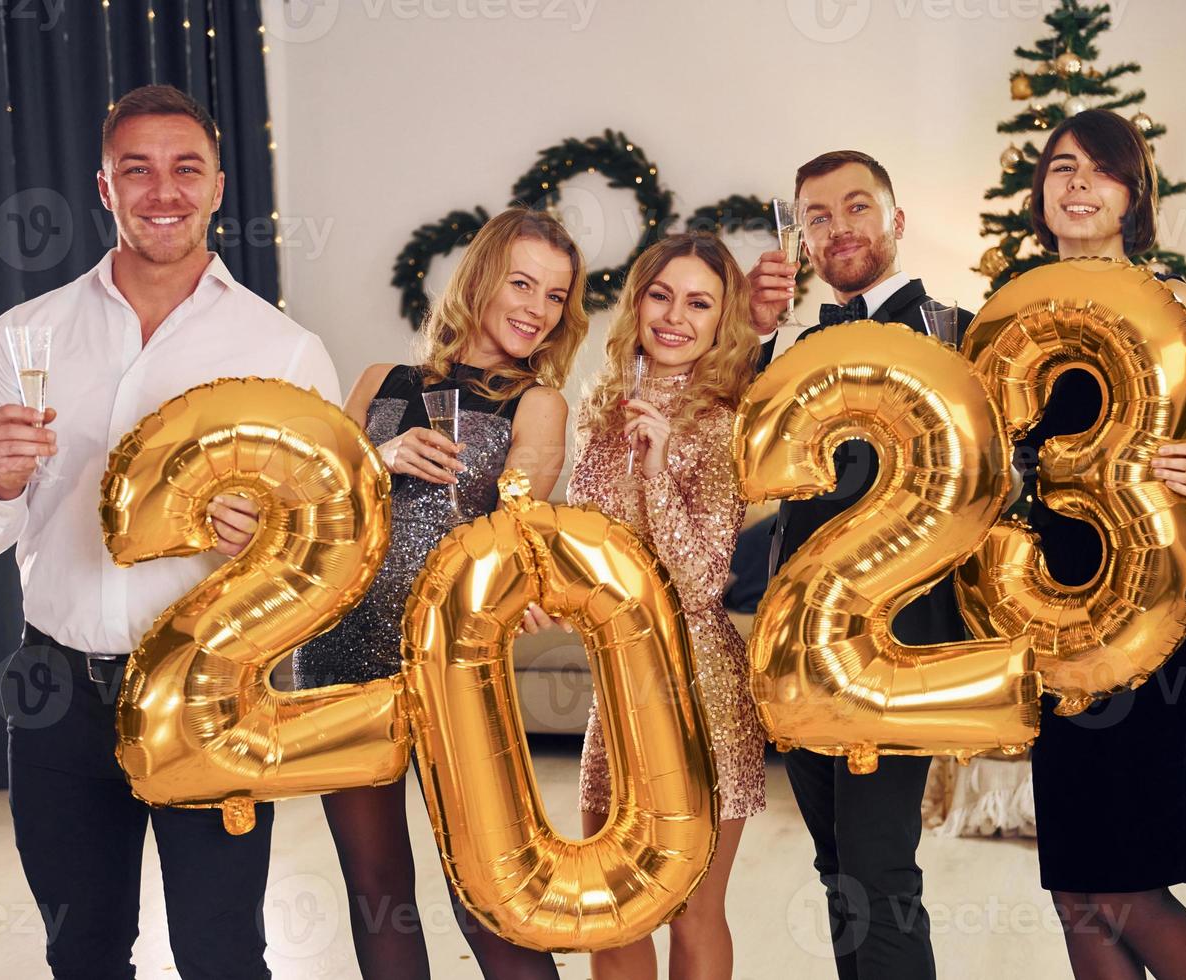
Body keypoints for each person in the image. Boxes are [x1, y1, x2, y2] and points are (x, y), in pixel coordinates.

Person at [0, 84, 339, 979]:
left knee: (222, 952)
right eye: (138, 170)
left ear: (218, 186)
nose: (163, 190)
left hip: (212, 690)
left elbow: (324, 549)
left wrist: (269, 538)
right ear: (104, 186)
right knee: (80, 952)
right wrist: (1, 477)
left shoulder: (283, 351)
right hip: (54, 694)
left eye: (185, 168)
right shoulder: (22, 336)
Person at [292, 206, 588, 979]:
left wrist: (522, 571)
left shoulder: (539, 404)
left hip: (454, 663)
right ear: (482, 278)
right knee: (376, 892)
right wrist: (378, 455)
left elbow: (521, 514)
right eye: (522, 283)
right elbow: (315, 505)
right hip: (345, 657)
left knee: (487, 895)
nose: (535, 308)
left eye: (555, 296)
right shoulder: (377, 382)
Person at [1022, 109, 1186, 980]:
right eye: (1060, 167)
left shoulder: (1172, 302)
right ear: (1040, 191)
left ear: (1133, 194)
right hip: (1052, 620)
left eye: (1101, 170)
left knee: (1130, 889)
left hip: (1160, 622)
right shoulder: (1015, 311)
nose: (1078, 183)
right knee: (1076, 888)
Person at [744, 150, 975, 980]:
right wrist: (760, 334)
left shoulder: (954, 331)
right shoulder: (797, 345)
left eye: (856, 207)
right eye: (817, 216)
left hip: (896, 648)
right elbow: (735, 448)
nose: (838, 228)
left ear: (895, 221)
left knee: (879, 872)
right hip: (801, 650)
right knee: (838, 866)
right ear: (802, 239)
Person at [526, 233, 765, 979]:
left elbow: (697, 586)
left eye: (699, 302)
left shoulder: (726, 420)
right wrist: (544, 594)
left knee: (692, 906)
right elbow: (592, 554)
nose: (675, 317)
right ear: (637, 302)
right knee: (614, 904)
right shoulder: (599, 408)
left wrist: (659, 466)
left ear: (723, 318)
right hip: (619, 684)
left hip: (703, 695)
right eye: (661, 295)